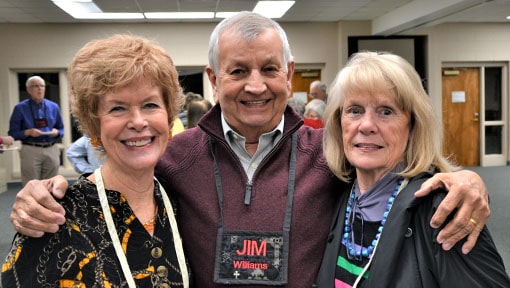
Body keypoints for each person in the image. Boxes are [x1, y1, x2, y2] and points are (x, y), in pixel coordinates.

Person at [10, 12, 490, 288]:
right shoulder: (174, 158)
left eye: (269, 69)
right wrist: (46, 190)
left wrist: (466, 180)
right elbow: (116, 180)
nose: (255, 86)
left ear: (289, 72)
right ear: (215, 81)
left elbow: (392, 169)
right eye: (238, 71)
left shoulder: (330, 152)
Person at [2, 34, 189, 287]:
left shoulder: (183, 199)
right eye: (117, 108)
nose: (137, 121)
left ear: (168, 116)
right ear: (94, 122)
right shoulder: (54, 217)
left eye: (150, 105)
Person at [315, 51, 510, 287]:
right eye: (355, 110)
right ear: (339, 123)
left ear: (413, 127)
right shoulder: (337, 195)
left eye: (386, 111)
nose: (366, 125)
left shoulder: (443, 210)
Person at [8, 76, 64, 186]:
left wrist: (57, 132)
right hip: (31, 149)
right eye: (36, 86)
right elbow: (12, 133)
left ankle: (48, 204)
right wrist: (28, 132)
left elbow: (61, 130)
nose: (40, 89)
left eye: (42, 86)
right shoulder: (20, 108)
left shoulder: (53, 106)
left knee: (51, 184)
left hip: (51, 148)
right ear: (28, 89)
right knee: (32, 185)